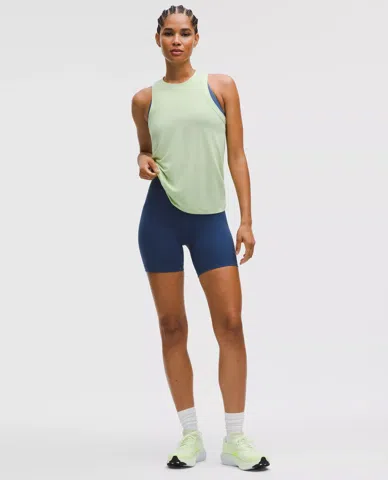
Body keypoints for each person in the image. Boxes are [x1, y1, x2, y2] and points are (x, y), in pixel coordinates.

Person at [131, 4, 270, 472]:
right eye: (169, 33)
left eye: (185, 33)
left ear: (196, 39)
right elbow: (145, 150)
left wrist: (246, 220)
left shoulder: (221, 87)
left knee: (230, 324)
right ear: (157, 39)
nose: (177, 40)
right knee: (172, 326)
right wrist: (142, 161)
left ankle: (236, 438)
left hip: (210, 220)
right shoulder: (144, 100)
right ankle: (190, 435)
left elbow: (237, 156)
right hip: (161, 220)